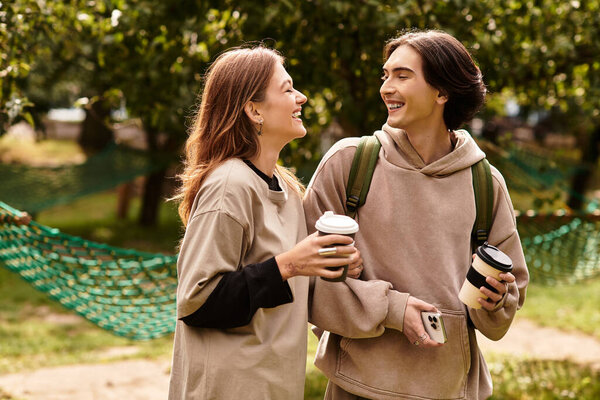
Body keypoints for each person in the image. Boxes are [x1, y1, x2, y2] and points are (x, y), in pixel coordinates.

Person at [304, 30, 529, 399]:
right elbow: (304, 279)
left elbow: (510, 296)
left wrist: (494, 299)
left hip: (449, 387)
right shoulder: (349, 164)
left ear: (442, 93)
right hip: (358, 386)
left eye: (402, 76)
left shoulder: (485, 183)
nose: (386, 88)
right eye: (385, 75)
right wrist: (394, 309)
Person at [168, 46, 362, 399]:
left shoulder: (286, 189)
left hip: (274, 385)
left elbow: (282, 283)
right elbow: (197, 300)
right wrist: (290, 265)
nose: (301, 97)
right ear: (254, 109)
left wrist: (330, 263)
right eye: (287, 89)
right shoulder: (230, 185)